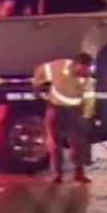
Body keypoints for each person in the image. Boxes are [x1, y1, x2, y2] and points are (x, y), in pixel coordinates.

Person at [32, 52, 96, 184]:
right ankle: (57, 174)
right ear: (76, 64)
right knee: (55, 144)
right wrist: (37, 85)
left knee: (77, 143)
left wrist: (86, 116)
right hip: (55, 108)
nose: (87, 71)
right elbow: (41, 70)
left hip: (74, 112)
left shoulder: (86, 78)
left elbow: (89, 98)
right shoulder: (60, 66)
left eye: (88, 68)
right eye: (84, 67)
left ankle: (79, 173)